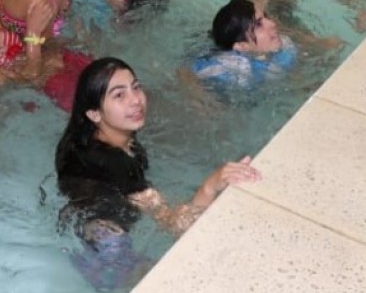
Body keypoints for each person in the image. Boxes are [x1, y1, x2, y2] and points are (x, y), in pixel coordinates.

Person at [55, 57, 260, 237]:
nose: (136, 100)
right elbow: (177, 226)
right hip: (106, 245)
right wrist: (211, 186)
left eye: (136, 87)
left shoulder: (87, 136)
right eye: (119, 95)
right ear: (94, 114)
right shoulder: (114, 163)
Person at [192, 0, 298, 89]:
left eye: (266, 16)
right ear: (242, 46)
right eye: (258, 24)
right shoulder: (230, 70)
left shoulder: (284, 45)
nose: (273, 23)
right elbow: (187, 75)